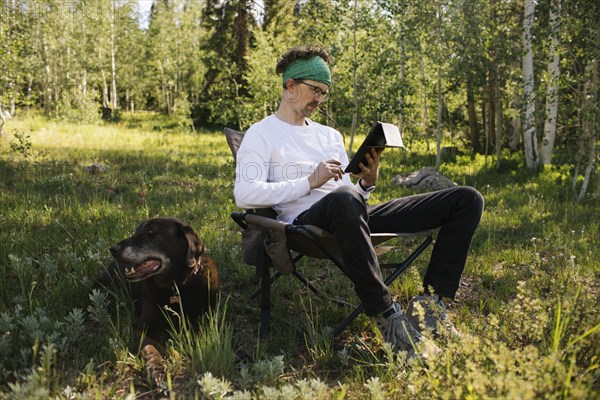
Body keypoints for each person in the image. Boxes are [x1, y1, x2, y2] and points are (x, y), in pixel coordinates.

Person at [234, 44, 484, 359]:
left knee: (466, 199)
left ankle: (430, 309)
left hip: (350, 214)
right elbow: (245, 193)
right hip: (305, 225)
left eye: (324, 93)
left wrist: (366, 183)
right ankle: (389, 320)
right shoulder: (262, 134)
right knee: (343, 198)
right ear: (290, 86)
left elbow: (349, 193)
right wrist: (309, 181)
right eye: (314, 90)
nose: (319, 100)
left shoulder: (329, 136)